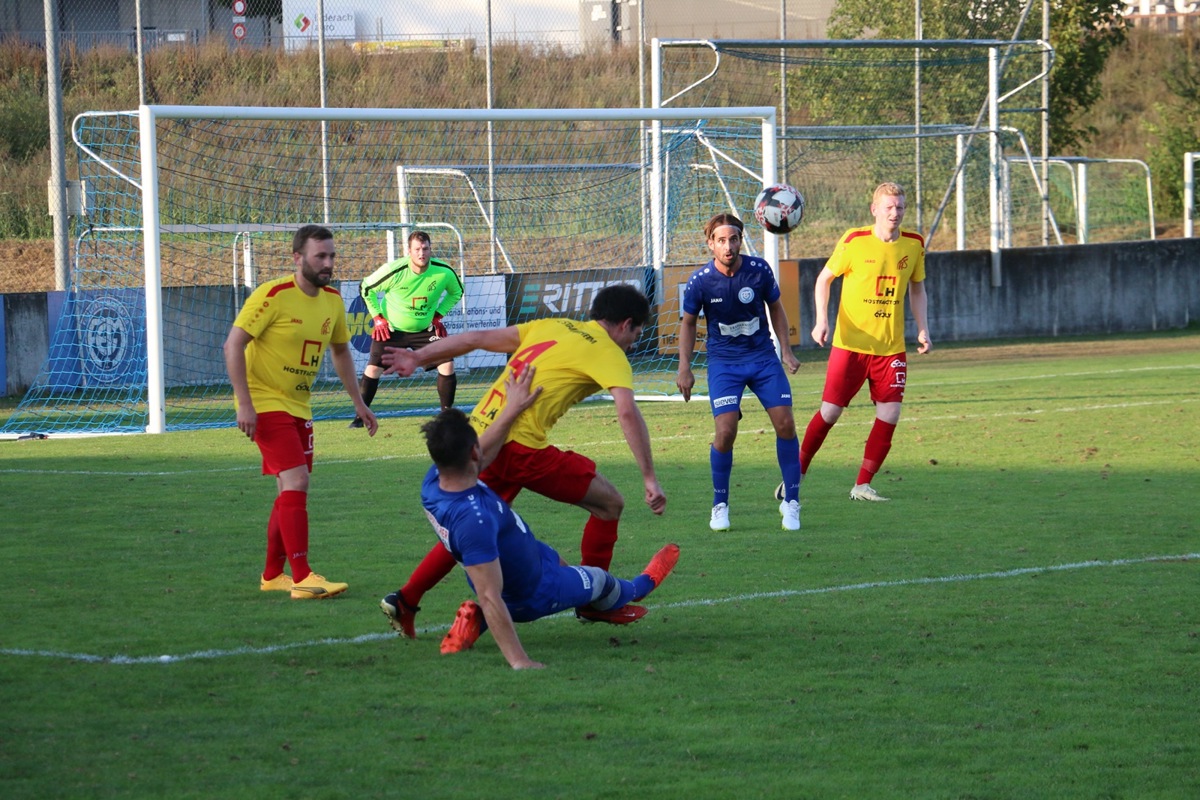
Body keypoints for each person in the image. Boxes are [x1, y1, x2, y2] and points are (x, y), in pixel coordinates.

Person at [378, 283, 667, 636]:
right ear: (625, 324)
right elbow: (627, 412)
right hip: (519, 447)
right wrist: (649, 477)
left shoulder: (553, 325)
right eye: (635, 333)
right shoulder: (609, 352)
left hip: (482, 438)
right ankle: (594, 597)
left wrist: (417, 357)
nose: (633, 343)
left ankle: (406, 599)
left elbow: (475, 337)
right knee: (609, 504)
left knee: (469, 527)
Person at [420, 363, 680, 669]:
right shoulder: (473, 519)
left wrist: (513, 407)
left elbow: (486, 446)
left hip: (529, 557)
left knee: (558, 563)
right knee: (599, 580)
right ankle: (641, 585)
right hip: (534, 591)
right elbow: (491, 595)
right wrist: (521, 661)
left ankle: (475, 618)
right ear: (474, 454)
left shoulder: (436, 481)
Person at [223, 225, 379, 600]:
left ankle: (273, 574)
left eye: (331, 256)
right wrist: (245, 402)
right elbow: (233, 345)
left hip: (298, 405)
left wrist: (359, 402)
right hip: (264, 401)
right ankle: (303, 576)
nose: (328, 263)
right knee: (296, 482)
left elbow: (341, 351)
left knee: (287, 488)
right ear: (297, 258)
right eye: (319, 256)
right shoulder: (273, 295)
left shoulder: (333, 300)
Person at [785, 181, 931, 503]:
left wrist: (923, 328)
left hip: (890, 348)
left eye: (900, 207)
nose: (895, 213)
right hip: (850, 346)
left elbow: (917, 288)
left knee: (890, 414)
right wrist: (822, 320)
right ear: (875, 209)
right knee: (830, 412)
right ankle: (797, 472)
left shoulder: (914, 244)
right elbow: (824, 279)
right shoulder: (854, 240)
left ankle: (862, 485)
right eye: (889, 207)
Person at [676, 212, 802, 532]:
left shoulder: (759, 271)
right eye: (721, 240)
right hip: (724, 363)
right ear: (710, 245)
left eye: (733, 239)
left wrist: (785, 350)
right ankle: (720, 505)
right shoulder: (700, 281)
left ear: (740, 240)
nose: (728, 246)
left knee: (786, 424)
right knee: (726, 432)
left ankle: (792, 503)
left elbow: (776, 307)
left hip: (762, 358)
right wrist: (684, 368)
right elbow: (688, 324)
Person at [350, 230, 464, 426]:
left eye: (426, 249)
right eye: (417, 249)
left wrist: (438, 315)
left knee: (447, 364)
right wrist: (378, 318)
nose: (422, 253)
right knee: (373, 369)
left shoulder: (443, 271)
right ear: (408, 251)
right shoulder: (394, 270)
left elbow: (457, 292)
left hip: (425, 330)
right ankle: (360, 418)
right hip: (391, 329)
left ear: (430, 249)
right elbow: (366, 288)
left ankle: (447, 417)